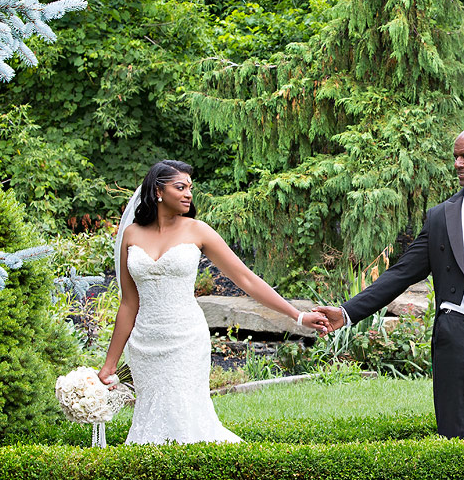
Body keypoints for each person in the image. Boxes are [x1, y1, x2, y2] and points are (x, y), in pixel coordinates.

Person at [314, 127, 464, 438]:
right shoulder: (442, 217)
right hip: (461, 336)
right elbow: (401, 273)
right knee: (456, 442)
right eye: (455, 157)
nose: (457, 164)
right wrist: (347, 313)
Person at [99, 160, 325, 444]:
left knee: (186, 414)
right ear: (158, 191)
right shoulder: (131, 235)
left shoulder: (198, 230)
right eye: (180, 187)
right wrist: (109, 365)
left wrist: (299, 316)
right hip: (145, 342)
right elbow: (128, 304)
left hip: (186, 339)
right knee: (150, 416)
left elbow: (247, 280)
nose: (188, 194)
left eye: (190, 188)